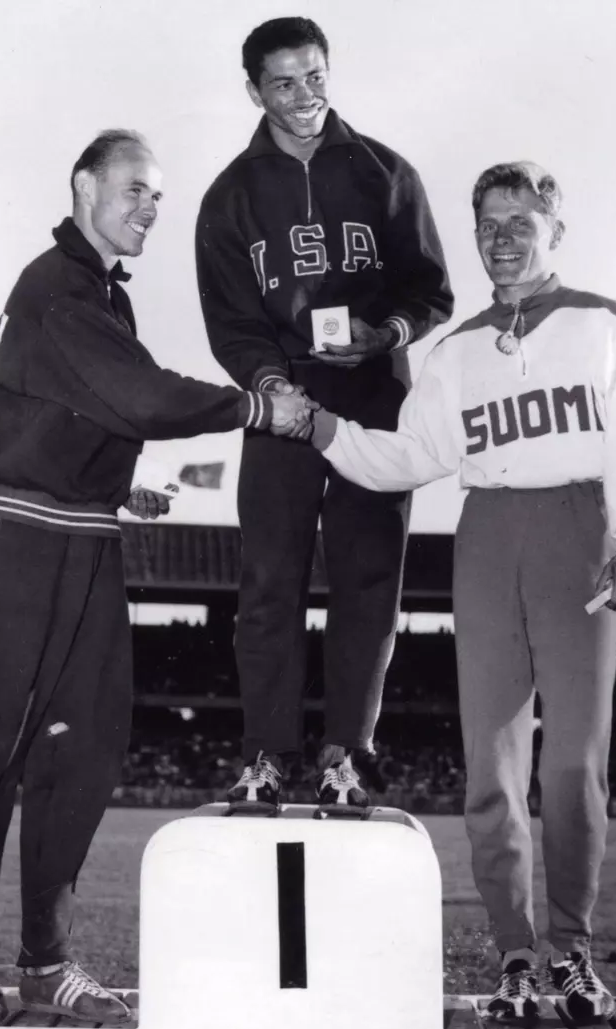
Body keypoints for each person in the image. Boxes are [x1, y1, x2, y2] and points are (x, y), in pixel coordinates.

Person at [0, 129, 312, 1026]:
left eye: (157, 196)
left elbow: (86, 408)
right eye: (135, 189)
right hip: (18, 535)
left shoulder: (99, 293)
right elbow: (137, 393)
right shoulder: (56, 283)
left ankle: (46, 964)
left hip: (88, 536)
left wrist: (116, 482)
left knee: (86, 753)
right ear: (82, 187)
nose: (149, 207)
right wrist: (258, 405)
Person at [308, 161, 616, 1024]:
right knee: (491, 765)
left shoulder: (601, 322)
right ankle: (513, 954)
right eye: (487, 227)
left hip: (577, 533)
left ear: (553, 231)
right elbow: (405, 457)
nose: (501, 241)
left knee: (576, 760)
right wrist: (320, 426)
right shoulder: (455, 350)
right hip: (487, 533)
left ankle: (570, 952)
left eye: (519, 224)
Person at [195, 16, 453, 810]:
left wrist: (388, 333)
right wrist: (272, 386)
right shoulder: (230, 196)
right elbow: (232, 323)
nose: (304, 96)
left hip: (374, 397)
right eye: (283, 83)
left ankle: (347, 754)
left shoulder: (384, 171)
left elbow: (430, 289)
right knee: (269, 580)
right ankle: (266, 756)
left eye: (314, 77)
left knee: (369, 578)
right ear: (253, 91)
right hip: (281, 403)